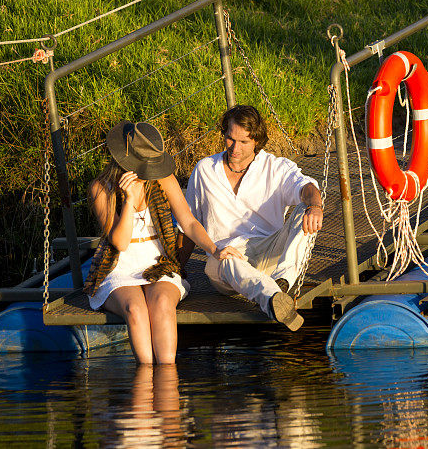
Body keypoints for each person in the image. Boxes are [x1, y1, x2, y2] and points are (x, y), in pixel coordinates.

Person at [85, 121, 242, 364]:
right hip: (120, 265)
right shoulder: (101, 188)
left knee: (160, 304)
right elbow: (120, 243)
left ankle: (168, 382)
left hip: (158, 261)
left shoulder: (162, 178)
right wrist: (129, 201)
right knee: (135, 311)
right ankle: (145, 381)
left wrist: (214, 249)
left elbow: (188, 222)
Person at [179, 105, 323, 332]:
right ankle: (274, 297)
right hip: (226, 260)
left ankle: (282, 283)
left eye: (244, 142)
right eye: (230, 139)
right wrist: (177, 267)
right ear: (224, 134)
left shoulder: (275, 167)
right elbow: (187, 222)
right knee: (227, 260)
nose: (235, 148)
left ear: (257, 140)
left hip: (269, 254)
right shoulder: (205, 169)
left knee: (305, 209)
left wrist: (315, 206)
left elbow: (307, 187)